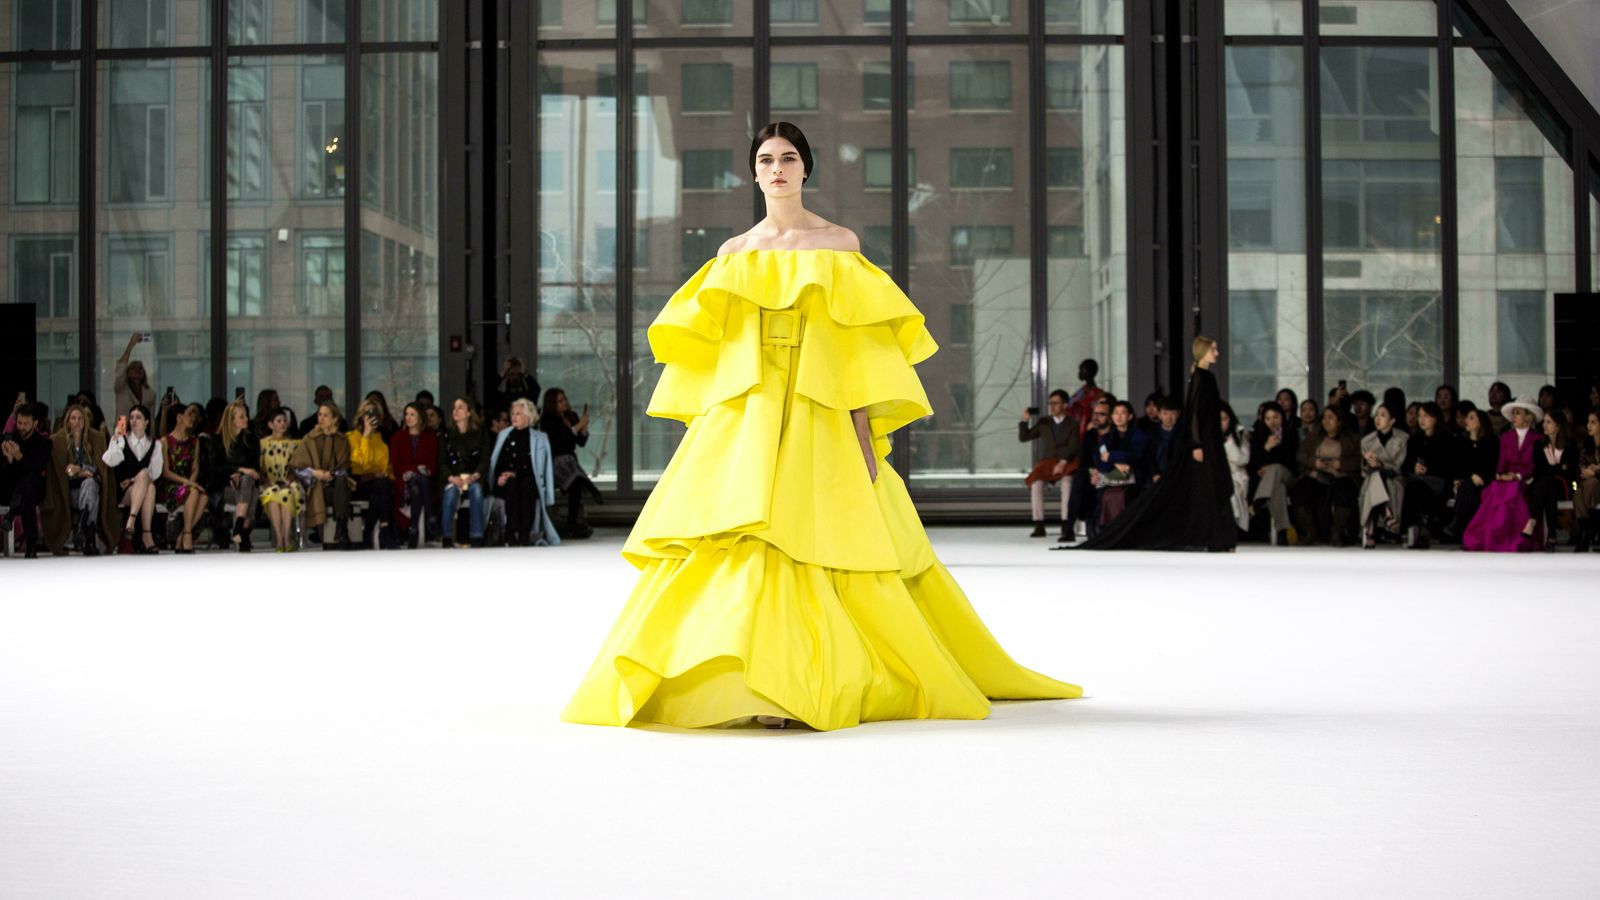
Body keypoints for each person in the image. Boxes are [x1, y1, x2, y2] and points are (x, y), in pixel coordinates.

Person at [564, 121, 1078, 732]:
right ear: (753, 173)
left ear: (806, 168)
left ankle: (798, 684)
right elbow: (719, 363)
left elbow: (854, 353)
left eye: (786, 158)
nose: (776, 168)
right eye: (764, 159)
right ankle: (750, 682)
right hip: (750, 418)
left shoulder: (838, 245)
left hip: (818, 410)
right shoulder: (732, 255)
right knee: (742, 541)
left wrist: (864, 438)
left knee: (823, 537)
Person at [1077, 336, 1234, 551]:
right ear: (1203, 351)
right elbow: (1195, 413)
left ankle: (1215, 537)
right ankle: (1213, 538)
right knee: (1209, 486)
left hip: (1209, 440)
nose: (1217, 353)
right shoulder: (1200, 377)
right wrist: (1197, 444)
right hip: (1204, 442)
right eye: (1213, 349)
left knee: (1214, 485)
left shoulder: (1204, 376)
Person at [1464, 396, 1543, 552]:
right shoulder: (1506, 437)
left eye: (1518, 413)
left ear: (1528, 416)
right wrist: (1501, 474)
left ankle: (1512, 537)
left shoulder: (1538, 439)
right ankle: (1494, 534)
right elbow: (1501, 463)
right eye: (1513, 413)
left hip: (1527, 480)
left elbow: (1534, 465)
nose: (1514, 417)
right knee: (1495, 488)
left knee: (1511, 491)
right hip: (1506, 479)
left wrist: (1517, 476)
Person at [40, 404, 114, 556]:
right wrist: (79, 471)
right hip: (69, 493)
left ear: (85, 421)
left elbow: (97, 469)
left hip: (90, 489)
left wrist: (79, 469)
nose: (77, 421)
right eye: (73, 418)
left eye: (80, 418)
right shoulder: (57, 442)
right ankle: (89, 537)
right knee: (90, 488)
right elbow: (63, 471)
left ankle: (82, 528)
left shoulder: (96, 440)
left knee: (90, 486)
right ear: (68, 422)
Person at [490, 397, 559, 547]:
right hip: (507, 480)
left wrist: (515, 473)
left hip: (530, 478)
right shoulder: (504, 435)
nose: (513, 417)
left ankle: (524, 533)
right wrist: (500, 476)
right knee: (512, 484)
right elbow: (498, 461)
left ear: (529, 416)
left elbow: (540, 467)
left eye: (518, 414)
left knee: (526, 484)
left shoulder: (541, 438)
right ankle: (510, 532)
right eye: (513, 413)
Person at [1290, 406, 1361, 546]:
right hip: (1317, 475)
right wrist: (1314, 463)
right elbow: (1300, 455)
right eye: (1324, 417)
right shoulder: (1314, 436)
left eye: (1330, 417)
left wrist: (1341, 464)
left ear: (1339, 421)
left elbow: (1358, 460)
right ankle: (1310, 532)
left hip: (1341, 476)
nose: (1326, 421)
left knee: (1345, 491)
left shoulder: (1352, 439)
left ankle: (1337, 533)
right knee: (1298, 491)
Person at [540, 388, 604, 540]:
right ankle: (591, 487)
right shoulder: (548, 419)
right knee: (568, 463)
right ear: (552, 404)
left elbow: (580, 442)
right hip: (556, 460)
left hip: (570, 459)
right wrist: (578, 426)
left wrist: (584, 427)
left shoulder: (571, 416)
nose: (564, 403)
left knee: (575, 488)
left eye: (564, 399)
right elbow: (559, 440)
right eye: (559, 401)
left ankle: (572, 524)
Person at [1018, 389, 1080, 539]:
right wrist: (1025, 421)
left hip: (1067, 461)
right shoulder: (1044, 422)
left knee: (1067, 483)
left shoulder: (1073, 423)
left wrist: (1063, 461)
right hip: (1048, 461)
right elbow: (1024, 437)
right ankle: (1039, 524)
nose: (1052, 406)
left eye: (1056, 403)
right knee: (1036, 484)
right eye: (1050, 403)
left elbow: (1073, 446)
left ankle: (1066, 524)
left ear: (1065, 405)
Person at [102, 405, 163, 554]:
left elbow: (155, 473)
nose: (133, 420)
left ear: (147, 422)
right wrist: (115, 438)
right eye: (132, 417)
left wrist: (134, 479)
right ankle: (144, 532)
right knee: (145, 478)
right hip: (124, 492)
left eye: (138, 417)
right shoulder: (122, 440)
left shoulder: (155, 444)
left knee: (150, 486)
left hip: (144, 490)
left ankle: (136, 524)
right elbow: (109, 460)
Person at [292, 402, 353, 550]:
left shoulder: (342, 440)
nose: (321, 418)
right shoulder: (310, 439)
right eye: (320, 414)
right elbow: (297, 468)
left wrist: (331, 474)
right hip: (316, 485)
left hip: (337, 486)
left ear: (334, 419)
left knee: (341, 480)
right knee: (338, 485)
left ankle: (340, 527)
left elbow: (344, 467)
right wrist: (315, 473)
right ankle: (340, 530)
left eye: (326, 415)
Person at [1398, 402, 1453, 549]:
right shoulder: (1415, 439)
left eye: (1426, 416)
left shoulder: (1447, 439)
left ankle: (1413, 531)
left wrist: (1428, 470)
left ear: (1435, 418)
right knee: (1414, 488)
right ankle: (1417, 531)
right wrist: (1414, 468)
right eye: (1420, 416)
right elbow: (1406, 464)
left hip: (1438, 482)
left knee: (1414, 488)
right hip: (1418, 481)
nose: (1421, 419)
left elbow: (1450, 466)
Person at [1, 403, 53, 558]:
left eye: (25, 424)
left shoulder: (44, 443)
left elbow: (38, 469)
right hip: (13, 489)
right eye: (19, 423)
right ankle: (31, 544)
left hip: (37, 489)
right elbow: (4, 475)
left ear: (35, 424)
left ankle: (11, 516)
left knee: (30, 482)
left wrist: (19, 457)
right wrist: (9, 460)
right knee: (26, 488)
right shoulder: (10, 439)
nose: (21, 427)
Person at [1058, 397, 1111, 544]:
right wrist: (1092, 471)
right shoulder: (1090, 435)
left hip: (1109, 471)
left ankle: (1093, 526)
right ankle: (1069, 528)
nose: (1096, 417)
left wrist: (1099, 472)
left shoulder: (1115, 435)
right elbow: (1085, 459)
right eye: (1095, 413)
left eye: (1102, 414)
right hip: (1091, 471)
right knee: (1080, 480)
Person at [210, 399, 261, 552]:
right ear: (231, 420)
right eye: (241, 417)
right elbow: (216, 468)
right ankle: (242, 529)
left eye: (246, 416)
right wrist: (237, 472)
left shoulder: (252, 440)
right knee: (249, 483)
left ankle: (239, 526)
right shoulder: (218, 441)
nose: (246, 419)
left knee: (248, 481)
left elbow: (255, 470)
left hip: (246, 486)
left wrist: (241, 474)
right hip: (225, 489)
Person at [440, 397, 490, 548]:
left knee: (476, 490)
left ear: (469, 412)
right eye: (454, 407)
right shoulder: (446, 434)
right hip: (453, 478)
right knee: (450, 494)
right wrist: (451, 478)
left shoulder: (480, 433)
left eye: (460, 407)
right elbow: (441, 463)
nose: (455, 410)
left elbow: (484, 460)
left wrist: (475, 475)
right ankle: (447, 537)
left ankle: (477, 537)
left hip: (474, 477)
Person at [1357, 403, 1408, 548]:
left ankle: (1370, 530)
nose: (1378, 419)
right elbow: (1363, 470)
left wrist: (1380, 464)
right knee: (1375, 477)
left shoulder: (1403, 438)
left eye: (1383, 415)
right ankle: (1387, 514)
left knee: (1377, 477)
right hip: (1372, 478)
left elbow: (1399, 466)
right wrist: (1368, 464)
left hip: (1393, 479)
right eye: (1376, 415)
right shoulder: (1367, 441)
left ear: (1392, 420)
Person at [160, 402, 209, 554]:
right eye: (189, 414)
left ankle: (182, 535)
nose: (193, 418)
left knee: (204, 497)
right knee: (195, 492)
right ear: (179, 418)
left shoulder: (195, 441)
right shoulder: (165, 441)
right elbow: (166, 472)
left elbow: (195, 467)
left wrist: (190, 483)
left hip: (188, 485)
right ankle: (187, 536)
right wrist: (188, 483)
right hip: (170, 486)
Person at [1445, 407, 1499, 543]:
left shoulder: (1492, 442)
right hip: (1467, 481)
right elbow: (1457, 465)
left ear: (1481, 422)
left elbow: (1492, 465)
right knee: (1468, 485)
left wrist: (1481, 477)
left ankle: (1457, 523)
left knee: (1471, 487)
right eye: (1466, 417)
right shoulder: (1460, 442)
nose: (1466, 421)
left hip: (1486, 481)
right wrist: (1461, 478)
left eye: (1471, 418)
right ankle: (1462, 528)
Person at [390, 402, 440, 547]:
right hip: (404, 481)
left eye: (412, 414)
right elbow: (396, 465)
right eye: (406, 414)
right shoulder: (397, 437)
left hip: (425, 482)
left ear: (420, 417)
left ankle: (413, 530)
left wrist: (422, 470)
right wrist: (415, 468)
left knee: (418, 486)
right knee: (417, 483)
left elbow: (432, 464)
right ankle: (431, 518)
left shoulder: (430, 437)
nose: (408, 418)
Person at [348, 402, 397, 549]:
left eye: (374, 413)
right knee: (382, 487)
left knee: (380, 490)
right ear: (361, 416)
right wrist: (366, 437)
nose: (371, 417)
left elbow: (386, 465)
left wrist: (383, 473)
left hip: (379, 483)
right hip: (359, 483)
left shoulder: (382, 439)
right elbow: (361, 464)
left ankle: (370, 532)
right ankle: (384, 530)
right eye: (367, 413)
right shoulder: (351, 437)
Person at [1249, 404, 1299, 545]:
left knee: (1276, 468)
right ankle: (1282, 531)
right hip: (1268, 481)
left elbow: (1292, 461)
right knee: (1279, 490)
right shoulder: (1257, 436)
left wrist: (1271, 465)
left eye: (1276, 417)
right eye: (1268, 418)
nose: (1272, 421)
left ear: (1282, 417)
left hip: (1287, 475)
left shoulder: (1291, 434)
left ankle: (1258, 501)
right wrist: (1266, 448)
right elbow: (1253, 463)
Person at [1527, 410, 1576, 552]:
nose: (1544, 425)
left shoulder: (1569, 445)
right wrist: (1559, 467)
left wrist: (1553, 469)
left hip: (1564, 485)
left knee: (1548, 483)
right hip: (1546, 486)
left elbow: (1570, 472)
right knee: (1548, 486)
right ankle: (1551, 535)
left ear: (1558, 426)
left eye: (1549, 422)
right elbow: (1538, 470)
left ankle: (1533, 520)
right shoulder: (1538, 445)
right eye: (1544, 422)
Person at [258, 408, 304, 553]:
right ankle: (279, 539)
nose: (283, 424)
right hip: (269, 484)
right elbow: (260, 469)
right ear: (271, 425)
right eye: (279, 421)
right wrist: (266, 481)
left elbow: (297, 467)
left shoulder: (293, 444)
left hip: (289, 483)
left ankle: (286, 538)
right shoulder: (263, 444)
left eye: (284, 421)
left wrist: (290, 478)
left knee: (286, 493)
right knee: (273, 495)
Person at [1220, 402, 1251, 534]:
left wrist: (1229, 442)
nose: (1220, 423)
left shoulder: (1240, 434)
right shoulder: (1206, 436)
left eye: (1224, 419)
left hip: (1236, 476)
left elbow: (1242, 459)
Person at [114, 334, 157, 419]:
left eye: (140, 368)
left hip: (142, 430)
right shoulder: (121, 388)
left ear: (144, 373)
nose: (137, 370)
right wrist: (131, 344)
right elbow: (120, 368)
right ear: (127, 373)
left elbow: (151, 417)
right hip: (123, 428)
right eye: (133, 368)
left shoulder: (150, 393)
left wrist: (151, 432)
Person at [1574, 411, 1600, 552]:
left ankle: (1586, 533)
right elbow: (1582, 469)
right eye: (1588, 422)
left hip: (1596, 484)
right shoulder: (1586, 446)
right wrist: (1590, 472)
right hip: (1589, 486)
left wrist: (1595, 471)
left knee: (1592, 483)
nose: (1588, 425)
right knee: (1578, 492)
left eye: (1593, 422)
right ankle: (1587, 532)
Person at [1064, 360, 1106, 436]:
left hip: (1090, 433)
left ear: (1088, 371)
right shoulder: (1081, 391)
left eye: (1081, 370)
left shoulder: (1098, 394)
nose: (1079, 372)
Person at [1145, 395, 1182, 482]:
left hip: (1178, 475)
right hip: (1156, 475)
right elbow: (1149, 456)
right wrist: (1154, 474)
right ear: (1159, 414)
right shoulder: (1152, 432)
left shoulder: (1183, 432)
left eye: (1173, 413)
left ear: (1179, 414)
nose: (1169, 418)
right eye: (1165, 413)